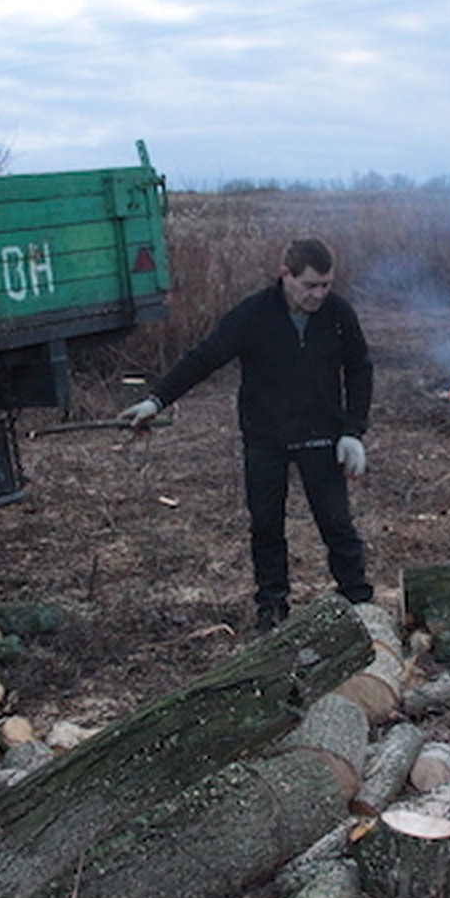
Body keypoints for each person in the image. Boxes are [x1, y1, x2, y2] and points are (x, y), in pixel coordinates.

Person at [119, 236, 374, 631]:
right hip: (265, 435)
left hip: (321, 434)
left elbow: (360, 369)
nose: (318, 294)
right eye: (310, 285)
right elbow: (204, 358)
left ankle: (359, 604)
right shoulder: (253, 314)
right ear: (285, 275)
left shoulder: (339, 315)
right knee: (266, 525)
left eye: (325, 285)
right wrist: (156, 401)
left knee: (337, 524)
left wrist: (353, 432)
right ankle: (272, 609)